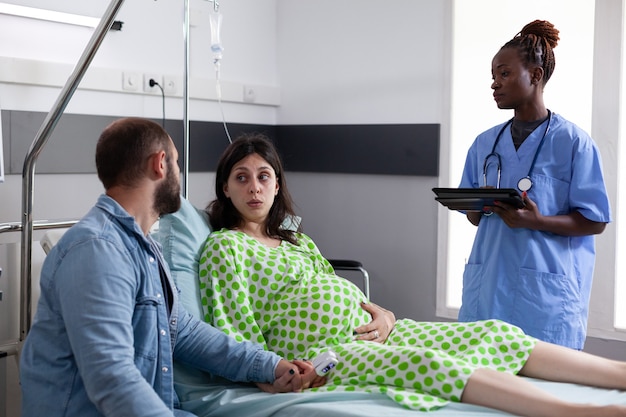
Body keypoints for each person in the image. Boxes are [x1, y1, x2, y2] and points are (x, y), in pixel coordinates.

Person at [197, 133, 626, 416]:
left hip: (371, 330)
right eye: (242, 178)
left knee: (492, 333)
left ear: (276, 186)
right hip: (320, 357)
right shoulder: (225, 248)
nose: (254, 187)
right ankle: (579, 413)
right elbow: (235, 331)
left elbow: (335, 291)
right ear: (225, 188)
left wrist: (385, 316)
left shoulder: (295, 239)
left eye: (264, 177)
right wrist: (273, 373)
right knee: (426, 364)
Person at [19, 118, 318, 417]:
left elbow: (183, 331)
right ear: (160, 164)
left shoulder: (145, 248)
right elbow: (112, 378)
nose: (179, 173)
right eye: (176, 163)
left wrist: (269, 366)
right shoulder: (97, 250)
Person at [457, 20, 611, 350]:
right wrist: (480, 205)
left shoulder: (573, 143)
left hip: (545, 298)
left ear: (536, 75)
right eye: (494, 76)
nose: (494, 84)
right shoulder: (485, 144)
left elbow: (595, 221)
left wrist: (536, 221)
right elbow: (474, 217)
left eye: (504, 74)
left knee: (546, 389)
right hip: (488, 289)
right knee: (482, 386)